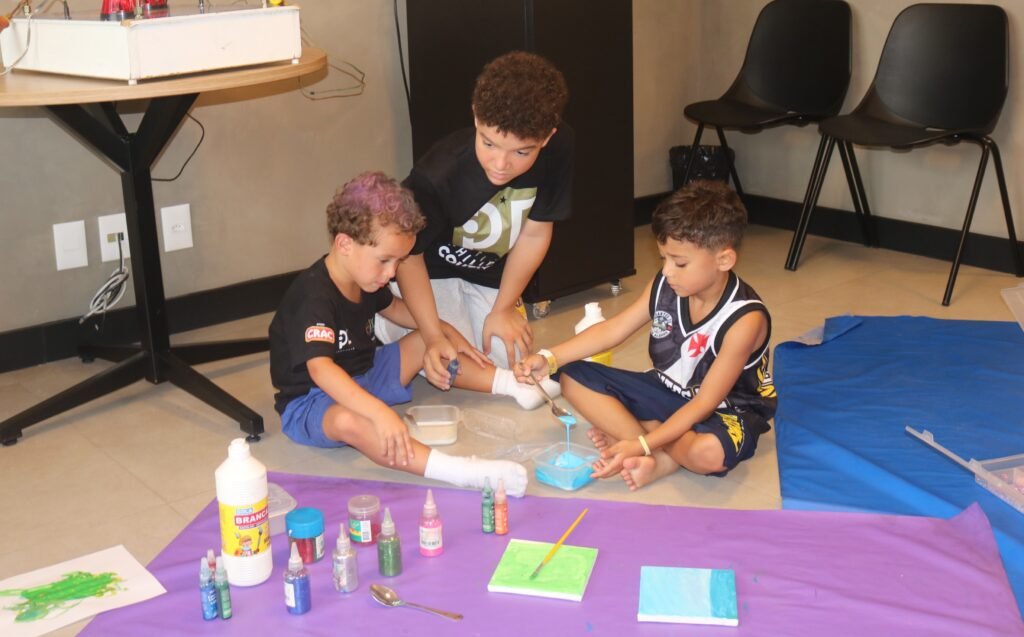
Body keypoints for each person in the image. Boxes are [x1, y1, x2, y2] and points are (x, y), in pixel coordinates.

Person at [268, 171, 528, 496]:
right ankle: (459, 471)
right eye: (384, 260)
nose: (391, 273)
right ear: (344, 244)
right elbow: (320, 370)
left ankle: (514, 385)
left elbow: (398, 309)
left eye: (399, 261)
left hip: (366, 375)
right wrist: (377, 412)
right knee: (351, 421)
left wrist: (443, 333)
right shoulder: (313, 297)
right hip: (313, 400)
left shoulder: (364, 277)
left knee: (426, 339)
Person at [515, 180, 777, 491]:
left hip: (725, 410)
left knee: (707, 455)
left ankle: (649, 443)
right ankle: (656, 446)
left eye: (679, 262)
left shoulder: (745, 319)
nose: (667, 271)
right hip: (665, 390)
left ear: (724, 260)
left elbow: (706, 402)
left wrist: (640, 443)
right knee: (571, 377)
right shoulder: (666, 284)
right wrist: (549, 357)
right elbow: (614, 329)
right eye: (664, 258)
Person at [376, 51, 572, 398]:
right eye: (489, 143)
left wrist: (503, 308)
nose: (501, 164)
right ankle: (385, 318)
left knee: (507, 353)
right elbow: (409, 257)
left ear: (546, 138)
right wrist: (432, 334)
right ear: (476, 117)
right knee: (447, 352)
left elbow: (535, 232)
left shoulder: (560, 148)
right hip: (428, 272)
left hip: (486, 273)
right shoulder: (438, 175)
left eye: (521, 152)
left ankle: (482, 349)